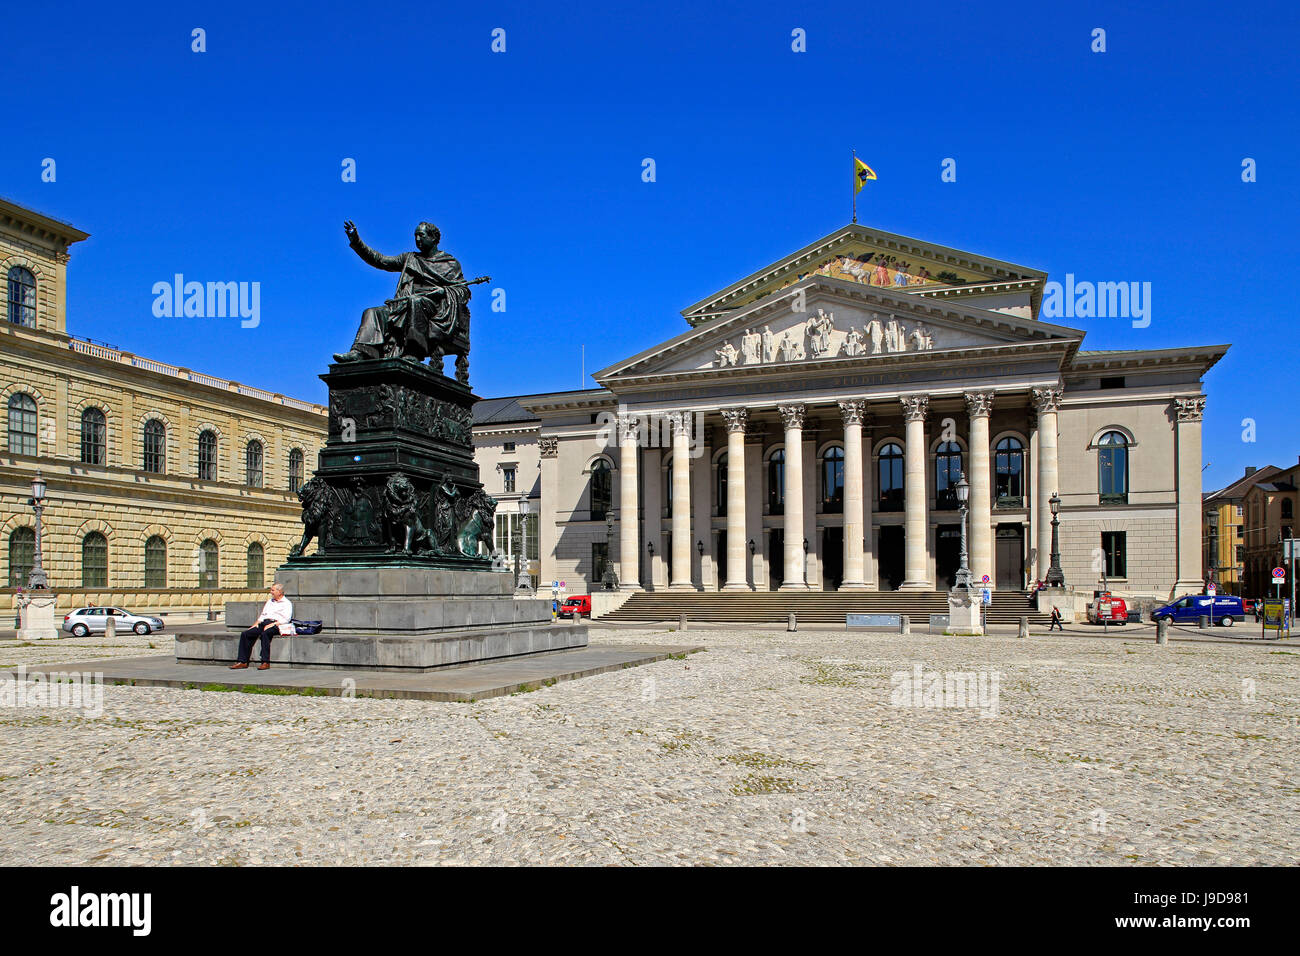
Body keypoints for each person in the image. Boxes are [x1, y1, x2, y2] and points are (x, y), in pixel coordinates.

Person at [231, 583, 294, 670]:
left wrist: (272, 624)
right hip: (265, 623)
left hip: (277, 625)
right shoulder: (270, 602)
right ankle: (242, 661)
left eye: (273, 590)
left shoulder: (286, 603)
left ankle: (265, 662)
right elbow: (262, 616)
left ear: (279, 592)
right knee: (245, 634)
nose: (271, 592)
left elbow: (286, 619)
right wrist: (254, 626)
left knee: (265, 634)